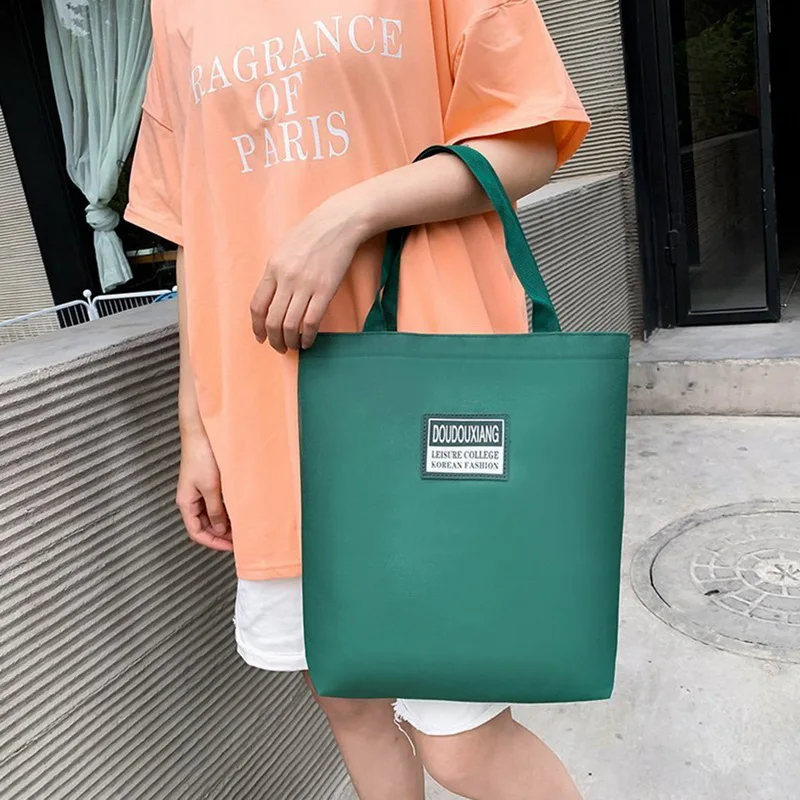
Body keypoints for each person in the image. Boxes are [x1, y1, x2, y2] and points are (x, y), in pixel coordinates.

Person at [126, 2, 590, 798]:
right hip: (271, 414)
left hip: (425, 388)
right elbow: (196, 232)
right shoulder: (176, 9)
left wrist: (349, 214)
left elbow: (527, 139)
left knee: (462, 741)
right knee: (352, 704)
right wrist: (195, 427)